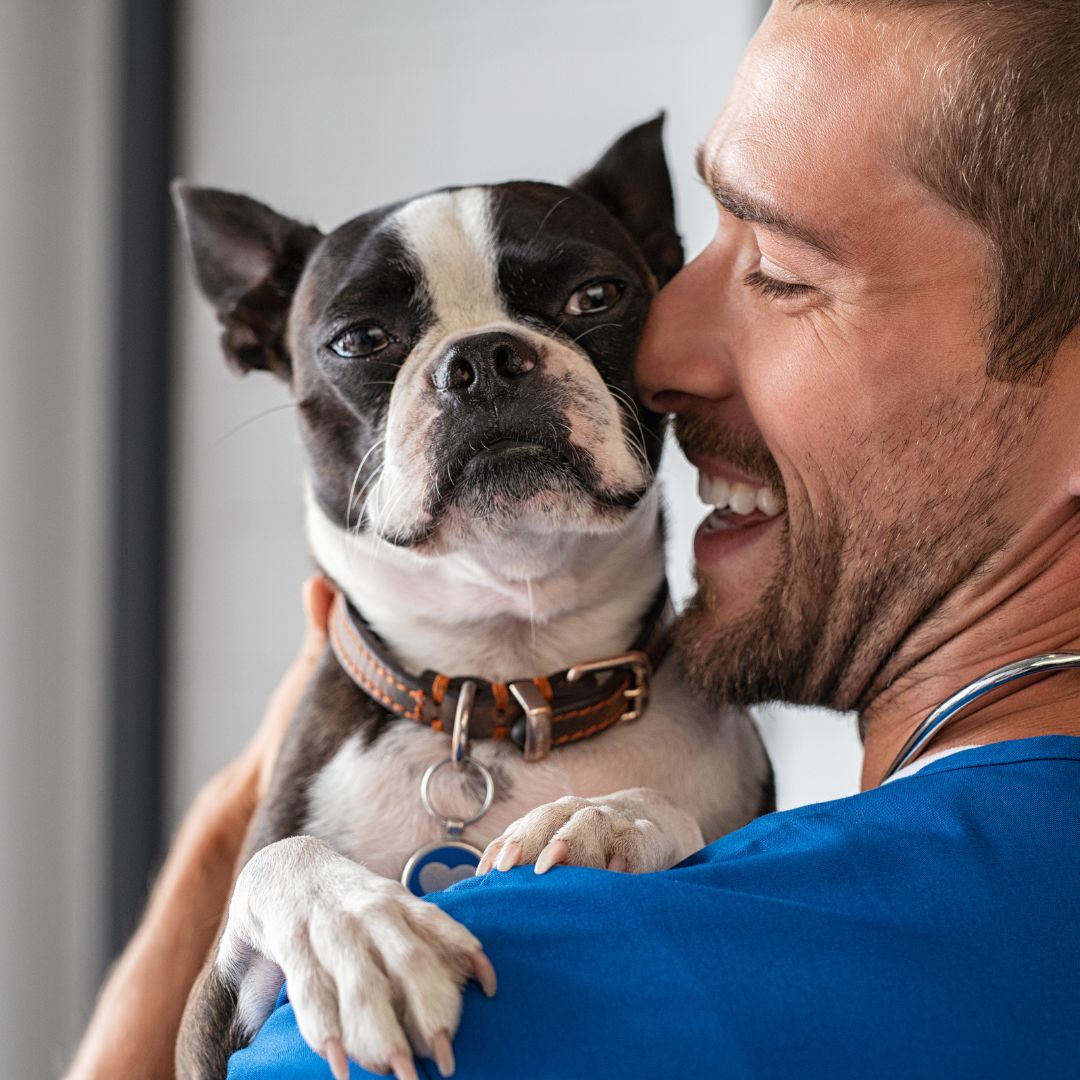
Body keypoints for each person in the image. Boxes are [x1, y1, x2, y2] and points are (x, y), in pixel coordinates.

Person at [68, 1, 1080, 1077]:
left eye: (782, 268)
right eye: (369, 340)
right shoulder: (941, 892)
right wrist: (250, 831)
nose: (664, 348)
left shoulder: (477, 995)